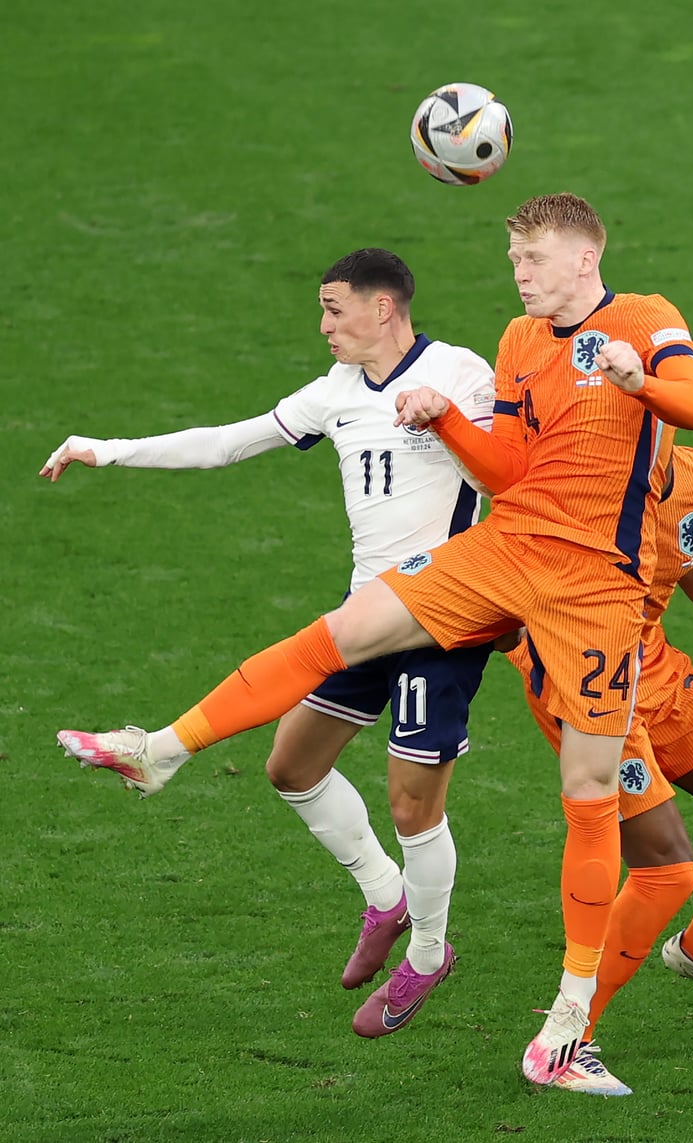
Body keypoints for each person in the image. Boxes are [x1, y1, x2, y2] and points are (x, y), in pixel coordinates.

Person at [56, 193, 693, 1076]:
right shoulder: (519, 344)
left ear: (586, 257)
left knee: (589, 791)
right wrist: (444, 419)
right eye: (514, 259)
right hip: (509, 544)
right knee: (345, 627)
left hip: (599, 583)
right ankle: (164, 748)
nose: (519, 274)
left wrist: (643, 382)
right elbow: (509, 468)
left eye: (534, 259)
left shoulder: (646, 317)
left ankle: (566, 1021)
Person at [42, 247, 500, 1036]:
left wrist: (447, 418)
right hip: (368, 612)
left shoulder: (462, 371)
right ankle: (386, 897)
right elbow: (227, 441)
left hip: (445, 617)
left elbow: (505, 476)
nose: (323, 325)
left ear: (383, 307)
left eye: (334, 308)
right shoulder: (337, 392)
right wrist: (106, 448)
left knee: (411, 803)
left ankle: (428, 954)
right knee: (291, 766)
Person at [505, 445, 693, 1095]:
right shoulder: (581, 482)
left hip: (657, 672)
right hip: (591, 688)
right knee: (666, 868)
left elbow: (687, 547)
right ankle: (564, 1041)